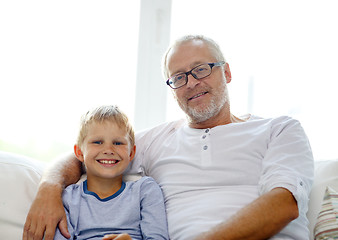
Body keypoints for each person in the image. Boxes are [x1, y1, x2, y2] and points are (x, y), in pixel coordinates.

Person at [23, 35, 314, 240]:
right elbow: (88, 155)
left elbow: (284, 203)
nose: (191, 83)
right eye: (178, 77)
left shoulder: (280, 129)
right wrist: (49, 189)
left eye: (201, 69)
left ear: (226, 71)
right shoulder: (154, 141)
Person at [53, 105, 169, 240]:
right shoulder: (69, 198)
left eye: (118, 143)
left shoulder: (145, 190)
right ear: (79, 152)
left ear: (131, 153)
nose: (108, 150)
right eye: (97, 142)